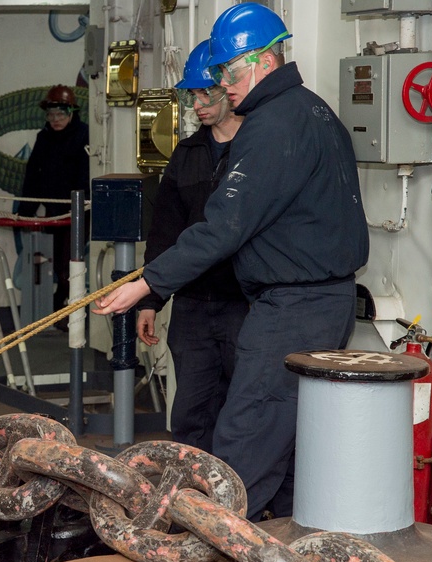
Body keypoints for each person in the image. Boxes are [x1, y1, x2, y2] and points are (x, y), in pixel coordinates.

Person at [93, 2, 368, 522]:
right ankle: (284, 542)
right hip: (322, 300)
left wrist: (146, 284)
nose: (224, 82)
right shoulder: (316, 112)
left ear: (265, 60)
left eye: (229, 70)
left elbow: (225, 225)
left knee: (246, 429)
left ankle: (208, 552)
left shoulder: (270, 126)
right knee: (284, 433)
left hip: (293, 306)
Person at [135, 41, 248, 455]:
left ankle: (247, 504)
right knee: (191, 414)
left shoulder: (260, 149)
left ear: (228, 88)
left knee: (247, 411)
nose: (197, 104)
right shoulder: (185, 155)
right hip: (194, 305)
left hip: (247, 304)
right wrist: (150, 300)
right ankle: (190, 503)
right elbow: (165, 231)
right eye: (192, 95)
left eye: (206, 93)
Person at [17, 84, 90, 312]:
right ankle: (61, 310)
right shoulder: (44, 138)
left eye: (60, 114)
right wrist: (25, 213)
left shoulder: (84, 135)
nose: (55, 119)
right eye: (51, 114)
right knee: (57, 262)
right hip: (53, 211)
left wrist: (81, 209)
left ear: (71, 113)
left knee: (71, 261)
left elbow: (85, 176)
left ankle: (67, 311)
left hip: (78, 212)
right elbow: (33, 177)